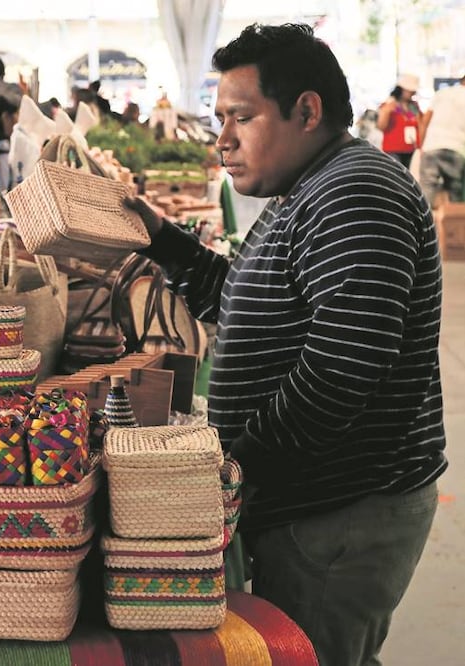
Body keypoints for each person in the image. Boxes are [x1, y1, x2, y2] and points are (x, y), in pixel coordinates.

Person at [124, 23, 444, 666]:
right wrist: (163, 239)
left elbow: (341, 369)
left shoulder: (357, 191)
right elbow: (245, 298)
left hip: (341, 511)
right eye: (219, 118)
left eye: (241, 117)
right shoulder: (308, 188)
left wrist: (236, 469)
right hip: (313, 504)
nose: (222, 141)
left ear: (306, 111)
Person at [418, 73, 465, 206]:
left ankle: (425, 225)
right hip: (457, 148)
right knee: (455, 193)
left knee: (426, 192)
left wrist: (422, 146)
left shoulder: (442, 93)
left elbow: (425, 121)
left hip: (431, 146)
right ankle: (454, 225)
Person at [377, 73, 423, 167]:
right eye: (410, 91)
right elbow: (381, 126)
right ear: (401, 89)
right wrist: (386, 111)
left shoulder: (414, 106)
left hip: (412, 149)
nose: (412, 93)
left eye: (413, 91)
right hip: (393, 150)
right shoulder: (388, 104)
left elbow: (421, 125)